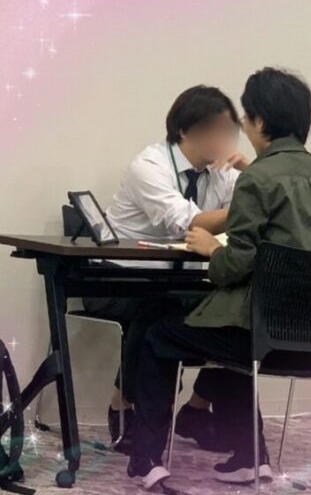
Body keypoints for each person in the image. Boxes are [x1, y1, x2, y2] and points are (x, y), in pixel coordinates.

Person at [128, 67, 311, 490]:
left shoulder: (256, 179)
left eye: (245, 120)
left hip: (266, 334)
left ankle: (144, 459)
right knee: (231, 337)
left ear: (260, 122)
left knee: (159, 336)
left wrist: (212, 250)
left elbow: (236, 264)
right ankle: (251, 457)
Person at [82, 85, 250, 452]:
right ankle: (124, 405)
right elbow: (188, 223)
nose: (225, 140)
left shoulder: (222, 171)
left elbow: (255, 213)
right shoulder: (149, 166)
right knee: (161, 308)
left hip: (179, 279)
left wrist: (252, 175)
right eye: (217, 130)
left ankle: (197, 407)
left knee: (238, 310)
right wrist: (251, 202)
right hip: (117, 278)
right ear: (185, 130)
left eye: (230, 131)